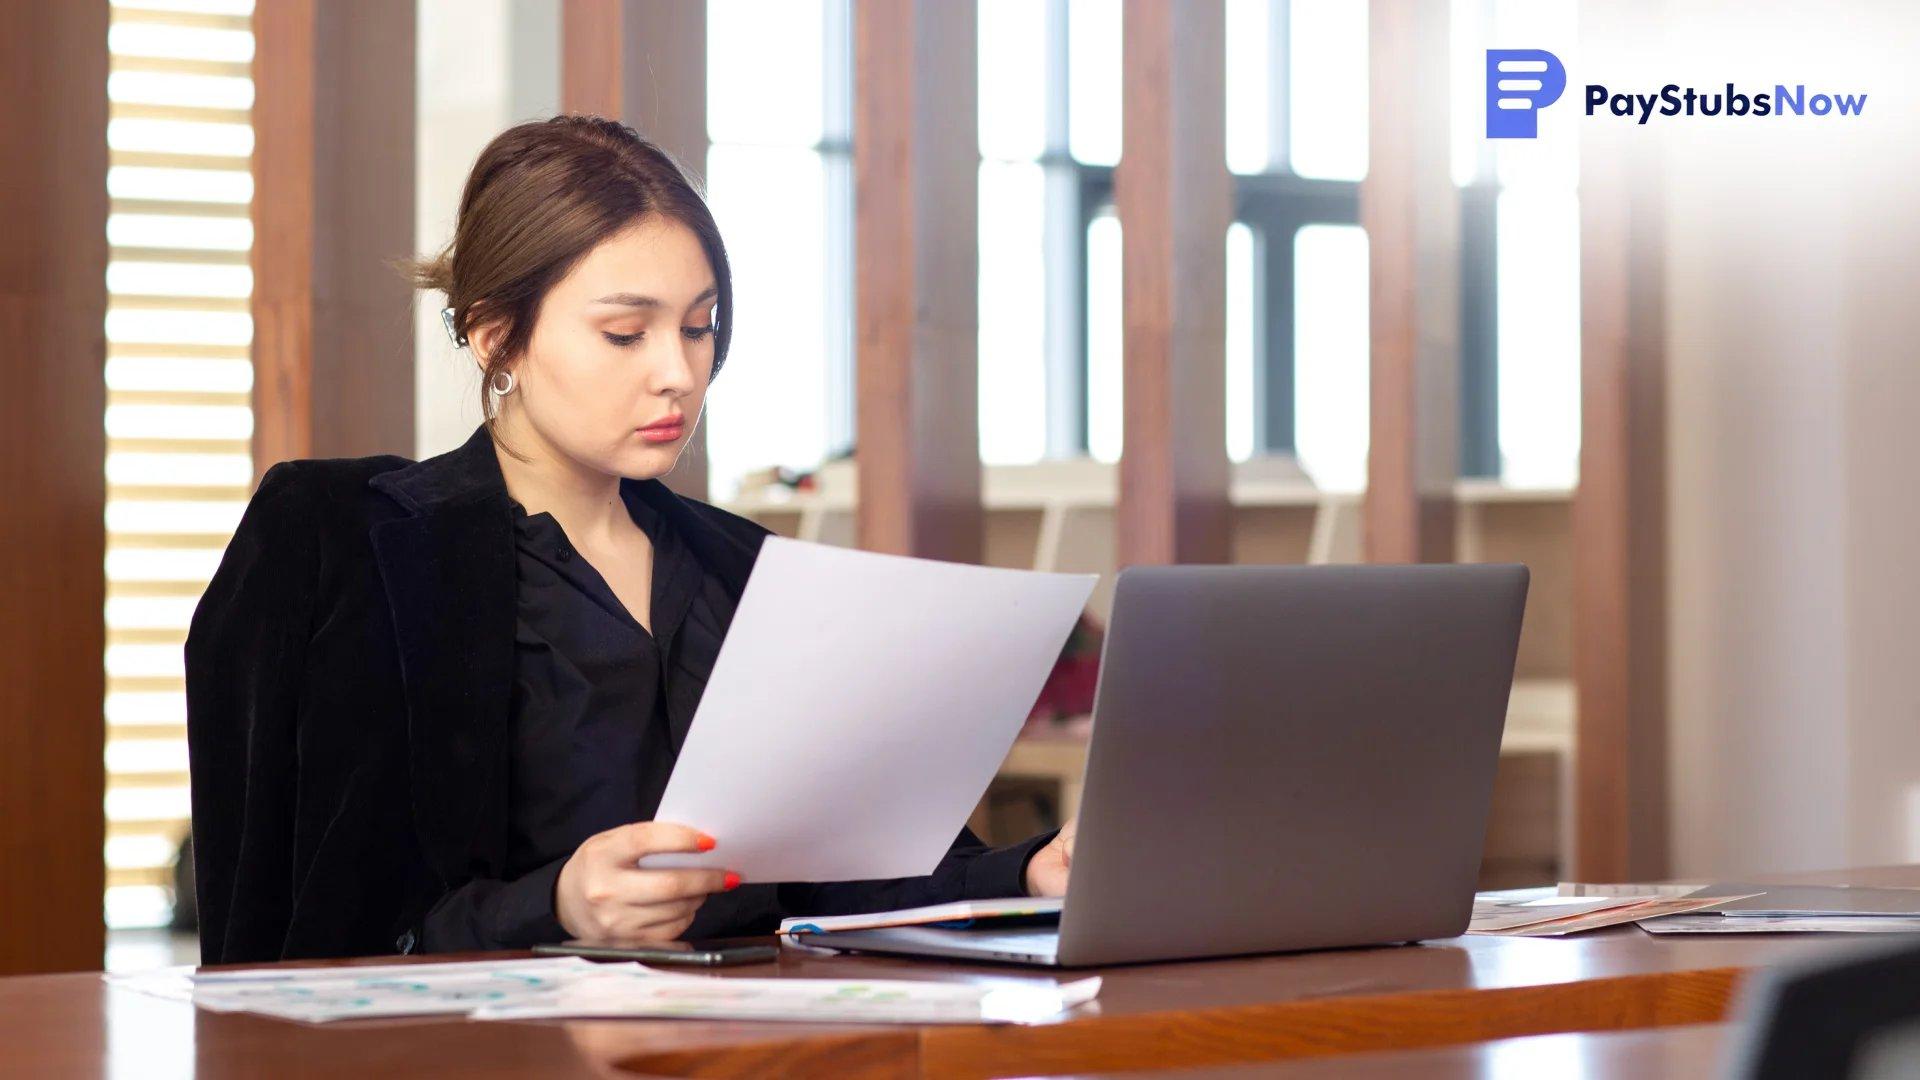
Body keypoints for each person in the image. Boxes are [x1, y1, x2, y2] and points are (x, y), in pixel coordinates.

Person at [185, 116, 1074, 964]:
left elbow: (850, 870)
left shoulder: (743, 566)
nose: (677, 373)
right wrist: (559, 904)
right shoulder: (345, 540)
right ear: (499, 334)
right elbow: (302, 922)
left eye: (699, 327)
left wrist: (1027, 874)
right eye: (624, 333)